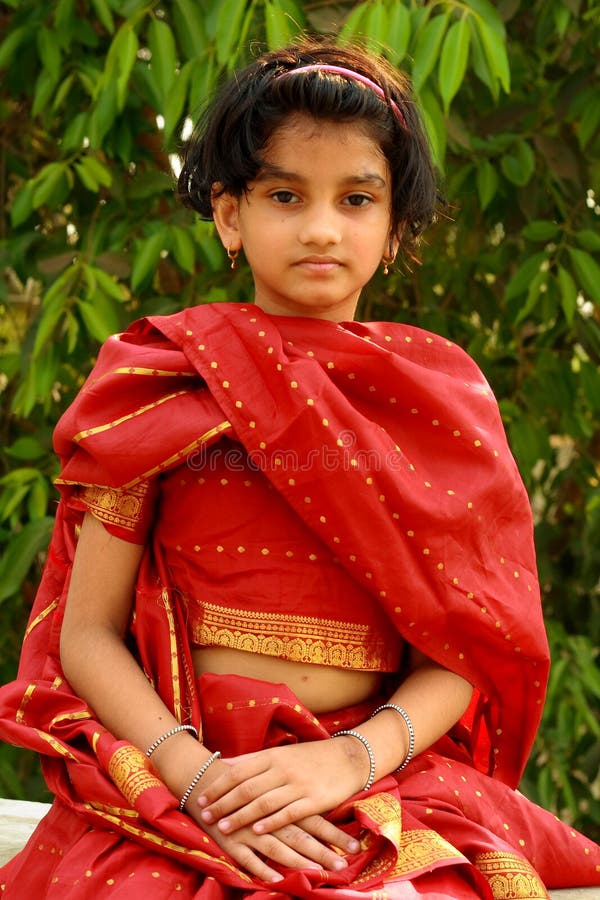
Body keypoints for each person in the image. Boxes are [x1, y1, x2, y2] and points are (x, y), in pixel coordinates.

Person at [0, 39, 598, 900]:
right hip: (189, 773)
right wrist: (196, 779)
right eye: (285, 195)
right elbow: (85, 634)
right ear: (230, 216)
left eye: (357, 198)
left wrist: (348, 761)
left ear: (395, 230)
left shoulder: (440, 406)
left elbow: (465, 653)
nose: (321, 227)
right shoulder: (163, 379)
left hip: (371, 776)